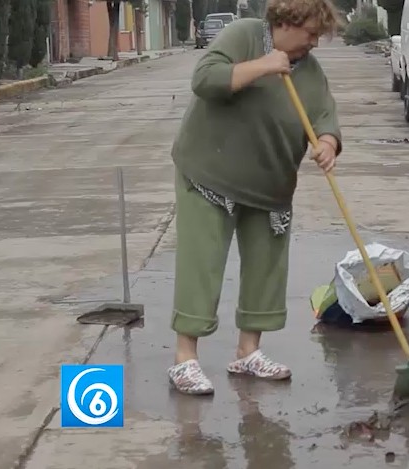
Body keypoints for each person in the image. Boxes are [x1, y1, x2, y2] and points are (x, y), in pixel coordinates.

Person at [167, 0, 343, 395]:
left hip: (270, 184)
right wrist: (264, 65)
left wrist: (328, 142)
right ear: (286, 22)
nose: (314, 42)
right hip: (209, 172)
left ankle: (249, 352)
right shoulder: (243, 35)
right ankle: (185, 359)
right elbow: (205, 78)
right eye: (310, 33)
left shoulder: (310, 71)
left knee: (267, 268)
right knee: (203, 263)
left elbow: (324, 116)